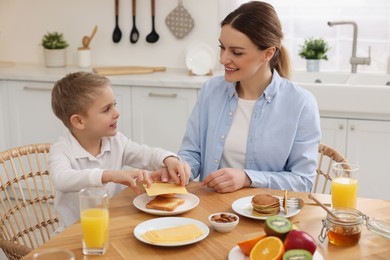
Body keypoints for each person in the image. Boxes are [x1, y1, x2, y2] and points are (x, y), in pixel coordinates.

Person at [177, 1, 321, 193]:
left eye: (236, 52)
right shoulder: (211, 90)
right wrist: (180, 169)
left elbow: (303, 181)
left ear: (268, 53)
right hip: (213, 210)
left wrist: (247, 178)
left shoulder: (301, 103)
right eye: (222, 47)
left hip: (267, 216)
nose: (223, 59)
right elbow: (192, 152)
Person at [49, 71, 190, 228]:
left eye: (114, 105)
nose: (116, 114)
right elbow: (62, 179)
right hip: (74, 234)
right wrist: (110, 175)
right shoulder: (62, 150)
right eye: (106, 109)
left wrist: (168, 159)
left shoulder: (116, 142)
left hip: (113, 225)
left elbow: (146, 154)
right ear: (79, 121)